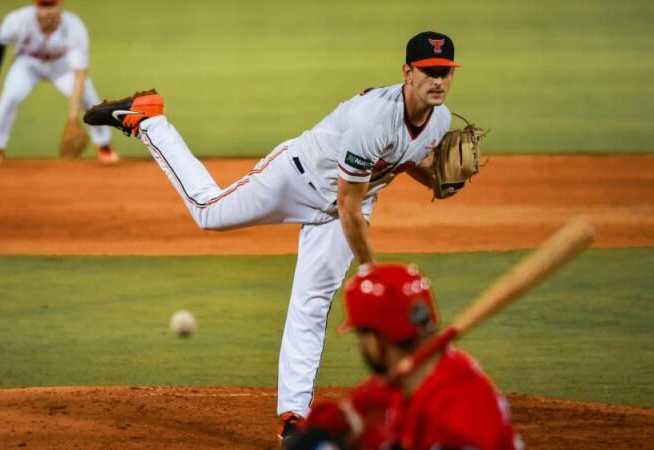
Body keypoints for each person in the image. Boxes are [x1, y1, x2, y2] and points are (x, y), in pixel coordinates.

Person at [85, 31, 468, 443]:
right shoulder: (371, 119)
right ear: (407, 73)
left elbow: (403, 157)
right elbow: (348, 206)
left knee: (313, 302)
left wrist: (439, 180)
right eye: (429, 72)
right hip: (297, 180)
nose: (438, 81)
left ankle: (293, 416)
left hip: (344, 205)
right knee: (209, 213)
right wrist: (371, 271)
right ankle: (149, 121)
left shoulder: (440, 120)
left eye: (445, 72)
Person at [285, 262, 523, 450]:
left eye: (361, 335)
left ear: (377, 339)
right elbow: (328, 425)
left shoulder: (462, 400)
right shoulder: (395, 385)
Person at [0, 0, 117, 166]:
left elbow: (79, 76)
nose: (48, 11)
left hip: (62, 66)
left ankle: (104, 145)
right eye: (43, 6)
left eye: (51, 5)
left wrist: (73, 118)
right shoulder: (18, 20)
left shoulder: (75, 27)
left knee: (90, 100)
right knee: (9, 98)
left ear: (60, 6)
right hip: (28, 64)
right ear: (35, 7)